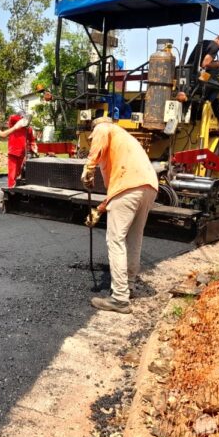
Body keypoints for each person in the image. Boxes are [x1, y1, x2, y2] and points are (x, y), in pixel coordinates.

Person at [81, 117, 159, 314]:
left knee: (115, 240)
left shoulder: (103, 128)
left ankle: (119, 298)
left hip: (129, 186)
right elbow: (121, 192)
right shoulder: (126, 139)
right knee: (134, 239)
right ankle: (129, 286)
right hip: (149, 186)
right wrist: (99, 210)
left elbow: (123, 189)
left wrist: (88, 170)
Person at [6, 112, 37, 188]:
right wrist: (22, 119)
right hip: (13, 152)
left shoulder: (28, 129)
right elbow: (12, 118)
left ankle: (16, 187)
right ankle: (11, 188)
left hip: (22, 153)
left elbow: (31, 140)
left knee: (18, 172)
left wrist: (33, 146)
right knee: (12, 173)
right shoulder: (14, 124)